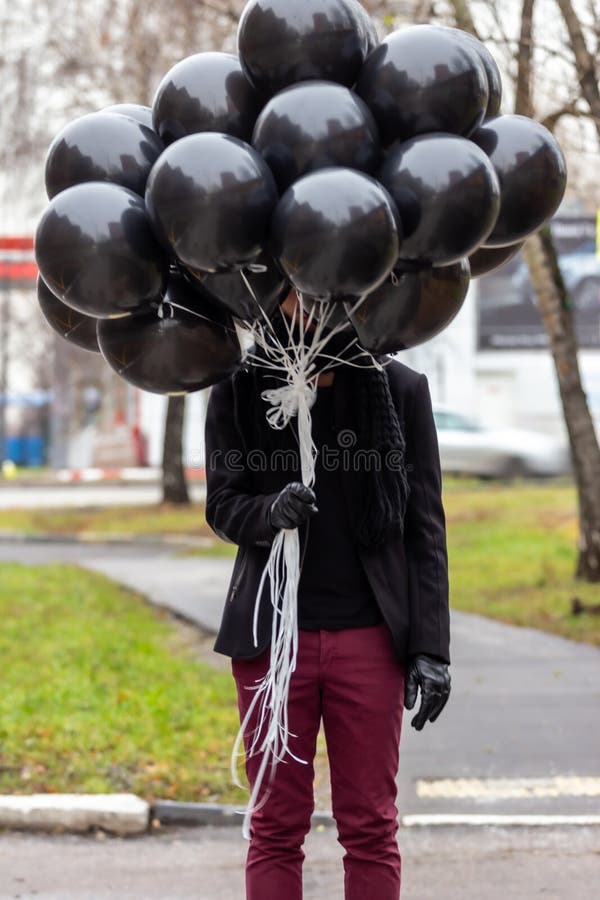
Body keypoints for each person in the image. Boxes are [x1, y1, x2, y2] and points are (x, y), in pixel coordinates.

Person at [204, 291, 451, 900]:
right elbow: (223, 504)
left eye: (321, 290)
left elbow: (425, 530)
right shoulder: (238, 386)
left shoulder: (401, 390)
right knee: (275, 827)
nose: (305, 305)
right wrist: (270, 511)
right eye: (291, 289)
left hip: (370, 641)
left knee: (369, 826)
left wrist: (432, 648)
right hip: (272, 643)